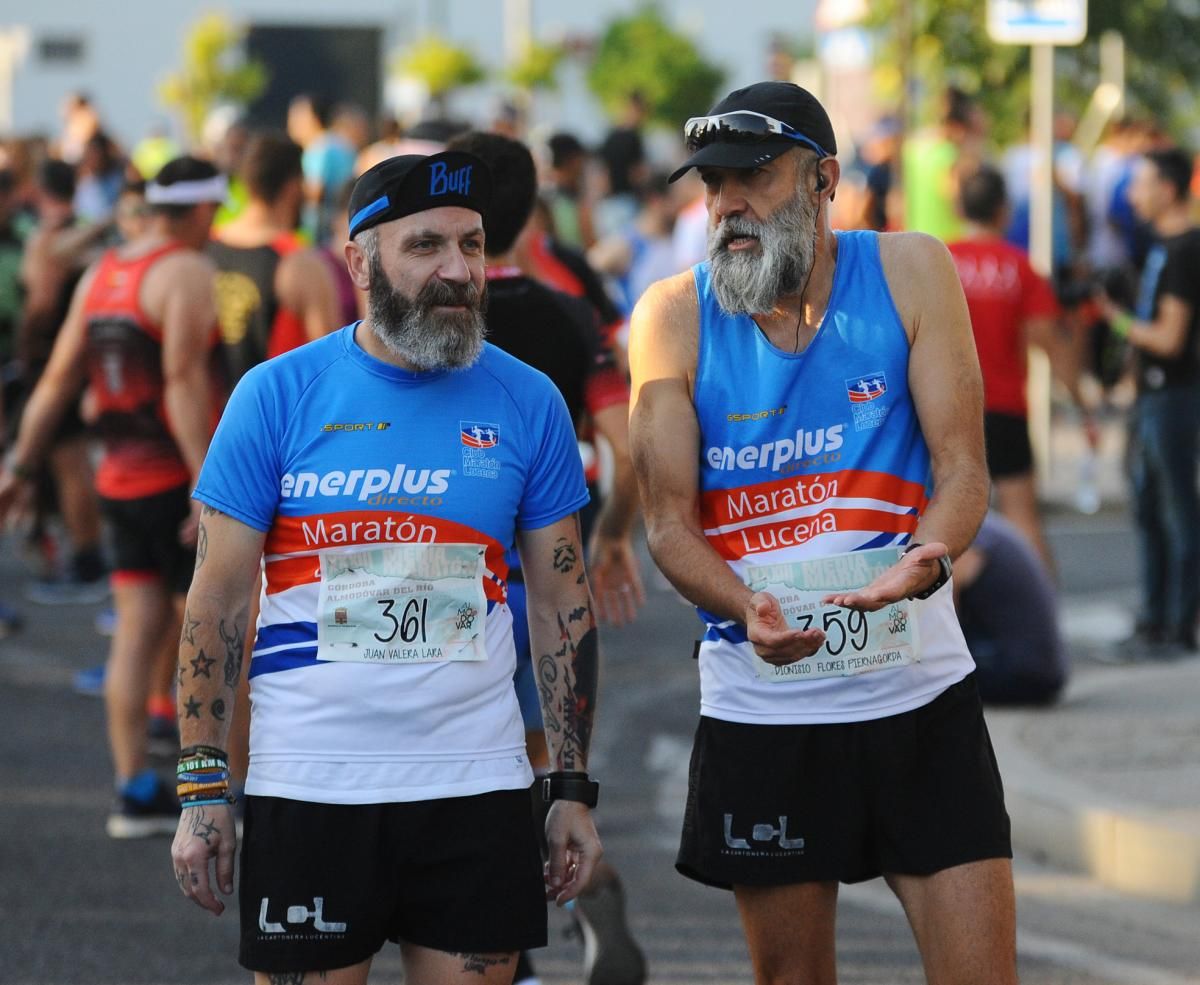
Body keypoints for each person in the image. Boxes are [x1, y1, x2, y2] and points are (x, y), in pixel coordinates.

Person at [169, 151, 603, 985]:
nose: (457, 271)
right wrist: (201, 789)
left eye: (473, 246)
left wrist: (572, 787)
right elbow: (217, 603)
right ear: (359, 261)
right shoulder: (276, 395)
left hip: (476, 787)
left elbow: (561, 605)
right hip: (311, 787)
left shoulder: (529, 400)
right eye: (426, 246)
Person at [629, 82, 1013, 985]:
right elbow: (666, 525)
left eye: (753, 178)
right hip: (765, 710)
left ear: (823, 179)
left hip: (918, 693)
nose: (727, 204)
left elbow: (963, 470)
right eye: (713, 184)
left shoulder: (913, 269)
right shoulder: (673, 317)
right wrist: (746, 604)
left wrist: (930, 553)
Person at [447, 129, 646, 985]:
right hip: (548, 573)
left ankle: (512, 949)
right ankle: (581, 885)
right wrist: (611, 538)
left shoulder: (428, 315)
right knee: (539, 762)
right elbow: (627, 444)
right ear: (535, 211)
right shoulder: (568, 310)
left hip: (452, 576)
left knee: (461, 767)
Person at [0, 156, 225, 837]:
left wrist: (21, 460)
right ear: (204, 210)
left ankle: (132, 788)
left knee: (135, 629)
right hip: (170, 480)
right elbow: (184, 382)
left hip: (117, 479)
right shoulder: (184, 272)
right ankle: (210, 795)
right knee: (204, 631)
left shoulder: (105, 273)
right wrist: (204, 482)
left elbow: (59, 379)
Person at [947, 165, 1094, 571]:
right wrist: (1083, 404)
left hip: (947, 411)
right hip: (1006, 408)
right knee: (1022, 518)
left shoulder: (941, 262)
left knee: (942, 530)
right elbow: (1050, 344)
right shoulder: (1020, 268)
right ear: (1003, 211)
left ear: (959, 207)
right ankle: (1043, 618)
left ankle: (951, 628)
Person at [1099, 147, 1200, 656]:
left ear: (1168, 188)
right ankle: (1157, 619)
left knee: (1178, 513)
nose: (1132, 194)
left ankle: (1179, 626)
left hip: (1177, 399)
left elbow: (1169, 337)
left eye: (1140, 183)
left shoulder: (1185, 249)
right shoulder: (1161, 245)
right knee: (1149, 510)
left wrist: (1113, 319)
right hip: (1155, 399)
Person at [208, 131, 339, 385]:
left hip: (219, 420)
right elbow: (331, 366)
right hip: (279, 415)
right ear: (292, 187)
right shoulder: (300, 263)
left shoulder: (206, 248)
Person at [954, 512, 1067, 705]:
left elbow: (949, 596)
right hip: (1040, 667)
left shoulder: (965, 536)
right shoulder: (985, 527)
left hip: (1019, 671)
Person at [287, 93, 357, 244]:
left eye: (297, 117)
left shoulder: (319, 148)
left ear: (314, 119)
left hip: (321, 230)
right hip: (344, 222)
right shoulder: (341, 142)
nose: (291, 123)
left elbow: (316, 190)